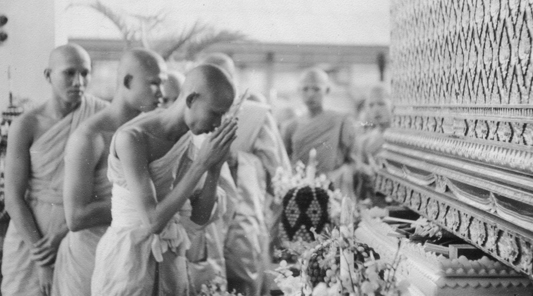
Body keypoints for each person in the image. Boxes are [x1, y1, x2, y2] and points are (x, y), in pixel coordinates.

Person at [91, 64, 237, 296]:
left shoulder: (190, 137)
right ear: (190, 100)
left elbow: (199, 219)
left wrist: (214, 168)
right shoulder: (133, 138)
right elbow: (152, 222)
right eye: (215, 113)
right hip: (127, 261)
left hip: (170, 260)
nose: (218, 124)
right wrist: (201, 164)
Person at [52, 48, 168, 296]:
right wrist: (144, 203)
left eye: (163, 84)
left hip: (135, 253)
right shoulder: (90, 135)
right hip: (88, 257)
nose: (162, 93)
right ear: (127, 82)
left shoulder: (151, 129)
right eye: (154, 84)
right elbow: (76, 217)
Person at [2, 44, 108, 296]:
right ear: (48, 75)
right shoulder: (26, 125)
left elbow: (107, 189)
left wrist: (61, 236)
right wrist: (42, 258)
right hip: (32, 233)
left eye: (85, 73)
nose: (79, 82)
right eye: (69, 73)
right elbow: (13, 199)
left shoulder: (102, 116)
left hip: (81, 230)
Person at [197, 53, 291, 296]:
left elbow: (279, 174)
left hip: (244, 217)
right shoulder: (192, 113)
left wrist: (238, 160)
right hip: (203, 220)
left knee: (244, 283)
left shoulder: (255, 115)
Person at [282, 67, 356, 198]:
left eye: (316, 89)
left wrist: (339, 175)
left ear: (327, 90)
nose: (310, 94)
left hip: (332, 189)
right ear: (299, 90)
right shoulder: (291, 126)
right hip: (299, 190)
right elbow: (284, 161)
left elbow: (352, 161)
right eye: (305, 89)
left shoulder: (340, 121)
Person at [354, 84, 392, 199]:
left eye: (381, 104)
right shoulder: (365, 141)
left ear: (393, 104)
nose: (376, 109)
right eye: (371, 105)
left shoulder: (402, 138)